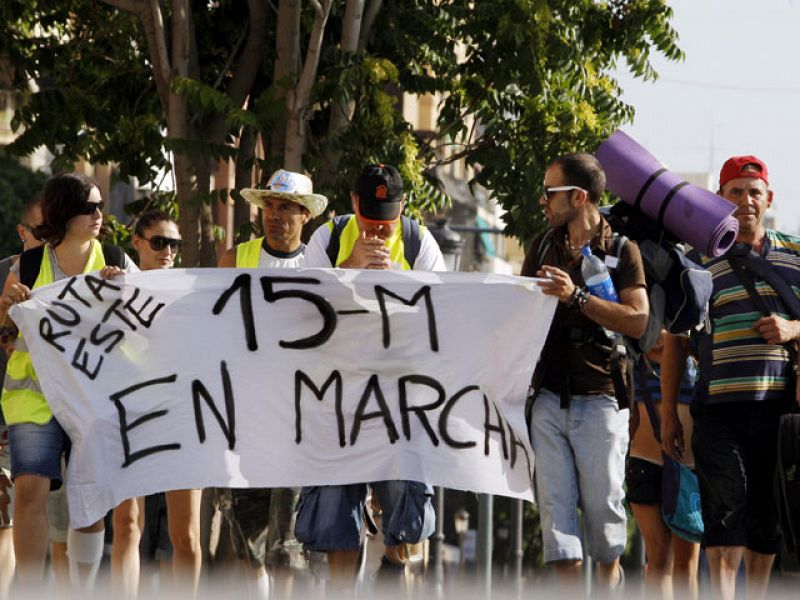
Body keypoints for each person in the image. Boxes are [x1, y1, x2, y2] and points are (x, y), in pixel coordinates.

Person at [661, 155, 800, 600]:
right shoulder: (695, 261)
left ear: (769, 198)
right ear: (719, 199)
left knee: (766, 519)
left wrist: (793, 329)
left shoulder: (796, 255)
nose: (745, 202)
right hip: (717, 409)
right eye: (735, 192)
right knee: (725, 513)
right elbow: (676, 342)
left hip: (779, 410)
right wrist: (668, 414)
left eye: (753, 193)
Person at [298, 163, 443, 589]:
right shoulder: (327, 238)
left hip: (398, 400)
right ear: (354, 204)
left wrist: (397, 283)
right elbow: (304, 309)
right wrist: (349, 266)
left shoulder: (419, 242)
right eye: (370, 220)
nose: (379, 230)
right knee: (336, 515)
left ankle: (395, 570)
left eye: (388, 221)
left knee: (406, 509)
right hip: (337, 398)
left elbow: (439, 314)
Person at [0, 172, 136, 587]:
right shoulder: (28, 264)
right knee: (28, 493)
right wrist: (6, 306)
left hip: (94, 398)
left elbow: (143, 332)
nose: (99, 214)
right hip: (33, 399)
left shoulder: (116, 259)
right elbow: (5, 335)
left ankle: (81, 589)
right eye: (89, 207)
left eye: (100, 205)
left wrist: (126, 295)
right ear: (64, 213)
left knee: (90, 502)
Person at [520, 152, 648, 593]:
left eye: (550, 193)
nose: (543, 201)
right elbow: (518, 313)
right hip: (549, 398)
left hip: (601, 397)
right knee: (556, 518)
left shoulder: (621, 250)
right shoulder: (541, 245)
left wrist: (576, 298)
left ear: (577, 197)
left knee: (605, 517)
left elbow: (637, 319)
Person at [217, 169, 328, 598]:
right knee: (247, 529)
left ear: (304, 216)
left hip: (299, 421)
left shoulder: (320, 269)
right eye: (268, 206)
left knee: (287, 535)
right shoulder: (234, 260)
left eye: (285, 207)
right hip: (245, 418)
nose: (274, 215)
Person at [110, 210, 202, 598]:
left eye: (174, 244)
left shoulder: (193, 291)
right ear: (137, 242)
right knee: (128, 524)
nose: (167, 251)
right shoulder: (116, 288)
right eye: (159, 242)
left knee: (187, 533)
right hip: (130, 415)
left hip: (183, 416)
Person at [626, 331, 699, 599]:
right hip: (644, 459)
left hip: (688, 465)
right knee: (658, 557)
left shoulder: (694, 341)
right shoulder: (635, 351)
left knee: (686, 561)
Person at [0, 195, 44, 596]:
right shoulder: (6, 274)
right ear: (21, 231)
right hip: (9, 412)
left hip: (46, 414)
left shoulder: (76, 273)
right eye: (39, 232)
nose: (47, 240)